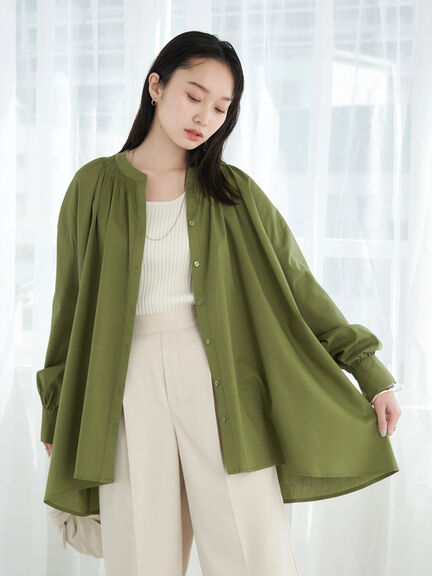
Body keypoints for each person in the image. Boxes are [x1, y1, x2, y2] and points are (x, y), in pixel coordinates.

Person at [38, 31, 401, 576]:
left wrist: (369, 372)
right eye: (194, 95)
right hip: (125, 385)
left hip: (221, 378)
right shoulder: (93, 187)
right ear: (156, 87)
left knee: (251, 552)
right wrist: (56, 411)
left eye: (220, 108)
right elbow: (68, 307)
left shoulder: (233, 192)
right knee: (142, 555)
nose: (204, 117)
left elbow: (300, 287)